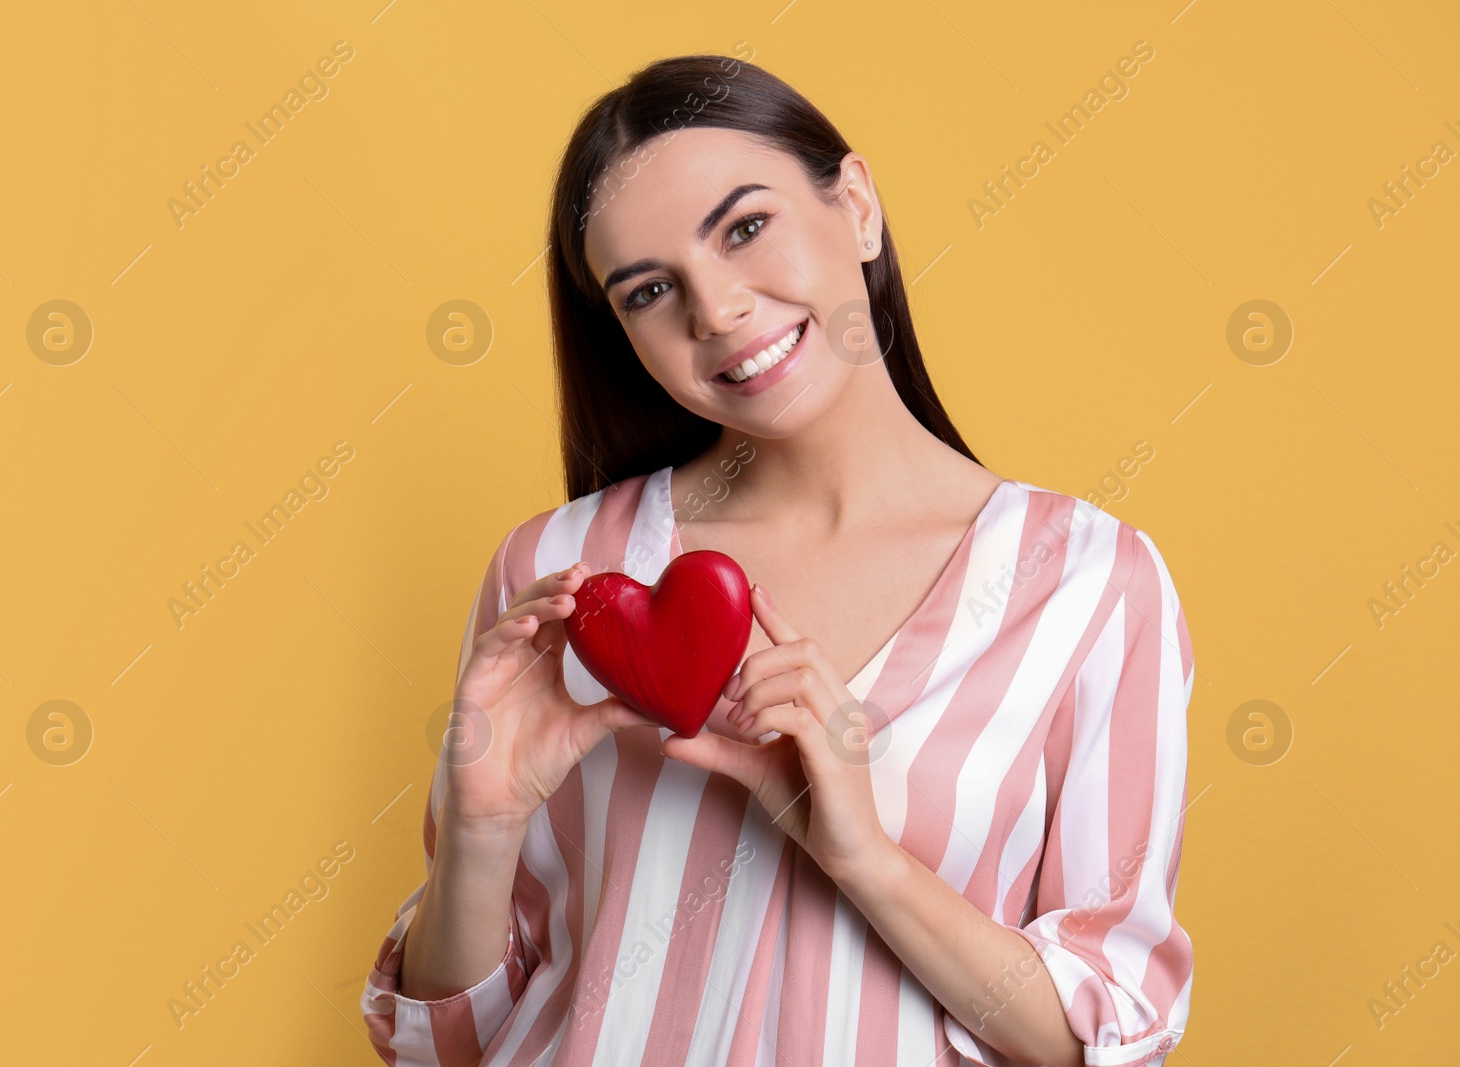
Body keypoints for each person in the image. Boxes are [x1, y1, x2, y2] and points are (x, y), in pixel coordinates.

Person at [361, 53, 1194, 1067]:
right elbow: (446, 1047)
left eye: (745, 227)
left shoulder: (1086, 584)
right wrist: (482, 830)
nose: (713, 312)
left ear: (856, 207)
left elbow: (1101, 1035)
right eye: (649, 289)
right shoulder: (561, 572)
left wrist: (865, 859)